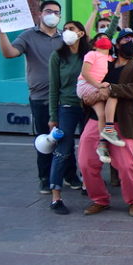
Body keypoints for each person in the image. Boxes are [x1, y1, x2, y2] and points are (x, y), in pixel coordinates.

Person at [0, 0, 65, 193]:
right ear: (39, 14)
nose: (53, 15)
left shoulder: (64, 38)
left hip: (63, 98)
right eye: (49, 11)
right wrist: (1, 30)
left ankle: (69, 174)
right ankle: (45, 177)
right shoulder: (28, 36)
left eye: (57, 12)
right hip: (40, 98)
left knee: (65, 139)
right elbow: (9, 53)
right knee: (45, 139)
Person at [78, 30, 133, 217]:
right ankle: (99, 199)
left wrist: (111, 89)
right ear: (117, 44)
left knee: (126, 166)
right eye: (126, 39)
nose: (131, 42)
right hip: (97, 119)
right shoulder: (105, 62)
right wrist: (88, 97)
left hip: (124, 121)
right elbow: (89, 81)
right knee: (86, 162)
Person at [46, 21, 90, 214]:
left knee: (89, 149)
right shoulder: (57, 56)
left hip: (89, 106)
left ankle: (88, 185)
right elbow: (53, 88)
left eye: (71, 29)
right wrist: (53, 116)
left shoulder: (89, 55)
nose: (67, 32)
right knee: (63, 150)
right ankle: (56, 196)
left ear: (81, 33)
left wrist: (113, 15)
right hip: (67, 107)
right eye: (65, 29)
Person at [76, 33, 123, 161]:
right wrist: (99, 85)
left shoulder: (109, 58)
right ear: (94, 45)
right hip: (86, 85)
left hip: (95, 87)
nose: (104, 40)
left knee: (102, 114)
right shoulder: (91, 54)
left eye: (107, 39)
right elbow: (85, 73)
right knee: (112, 93)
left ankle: (102, 146)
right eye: (100, 39)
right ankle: (109, 130)